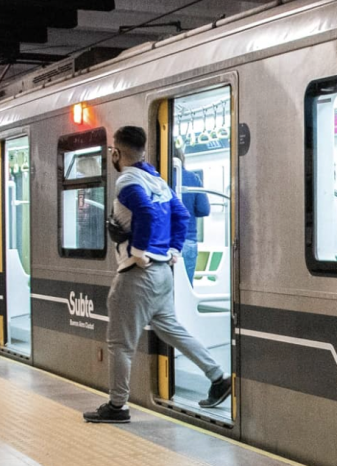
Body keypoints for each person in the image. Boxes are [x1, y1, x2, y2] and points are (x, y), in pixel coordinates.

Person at [83, 126, 231, 424]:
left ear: (117, 151)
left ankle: (117, 405)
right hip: (163, 273)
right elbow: (182, 215)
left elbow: (148, 214)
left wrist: (138, 251)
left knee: (120, 344)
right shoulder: (158, 180)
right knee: (170, 328)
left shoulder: (127, 181)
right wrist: (174, 248)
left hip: (138, 274)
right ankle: (218, 376)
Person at [175, 148, 210, 285]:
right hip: (188, 239)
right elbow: (204, 209)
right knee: (186, 286)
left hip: (164, 241)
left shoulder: (159, 179)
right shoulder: (193, 178)